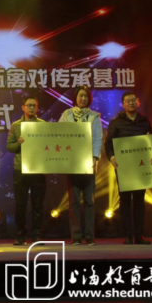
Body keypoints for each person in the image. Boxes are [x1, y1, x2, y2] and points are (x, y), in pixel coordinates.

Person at [104, 91, 152, 245]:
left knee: (139, 200)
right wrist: (112, 158)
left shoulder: (145, 121)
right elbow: (108, 143)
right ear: (123, 104)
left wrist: (150, 139)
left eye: (133, 100)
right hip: (123, 165)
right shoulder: (116, 122)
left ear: (138, 102)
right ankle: (127, 235)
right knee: (125, 200)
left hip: (141, 165)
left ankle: (139, 235)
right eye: (128, 100)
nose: (131, 103)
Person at [59, 86, 103, 246]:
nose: (83, 98)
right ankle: (76, 236)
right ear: (75, 98)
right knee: (74, 202)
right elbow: (58, 134)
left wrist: (95, 157)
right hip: (72, 162)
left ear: (89, 98)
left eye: (85, 96)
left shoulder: (94, 116)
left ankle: (89, 236)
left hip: (88, 163)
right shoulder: (66, 115)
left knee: (89, 202)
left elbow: (98, 138)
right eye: (80, 96)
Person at [6, 95, 46, 245]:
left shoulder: (43, 125)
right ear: (23, 107)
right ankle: (20, 234)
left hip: (38, 168)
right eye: (29, 105)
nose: (31, 108)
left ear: (37, 108)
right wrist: (18, 143)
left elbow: (49, 145)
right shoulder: (16, 126)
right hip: (20, 169)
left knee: (38, 205)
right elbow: (9, 147)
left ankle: (37, 234)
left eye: (34, 105)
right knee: (20, 205)